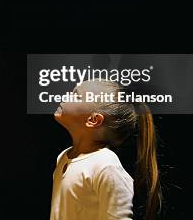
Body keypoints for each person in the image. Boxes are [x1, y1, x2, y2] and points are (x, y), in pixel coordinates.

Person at [51, 80, 161, 220]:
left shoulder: (105, 165)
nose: (66, 95)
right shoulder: (63, 157)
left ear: (93, 120)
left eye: (76, 95)